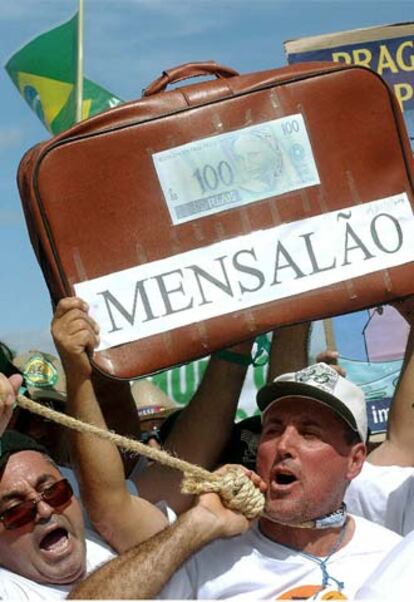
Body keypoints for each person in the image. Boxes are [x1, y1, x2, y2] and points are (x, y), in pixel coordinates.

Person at [69, 362, 401, 600]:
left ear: (355, 460)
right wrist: (196, 525)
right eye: (272, 430)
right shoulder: (204, 559)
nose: (283, 446)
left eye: (309, 433)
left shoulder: (392, 556)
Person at [51, 296, 255, 551]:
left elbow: (185, 463)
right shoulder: (65, 491)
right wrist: (78, 376)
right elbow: (111, 511)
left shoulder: (143, 491)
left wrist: (241, 338)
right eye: (15, 509)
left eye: (159, 428)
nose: (42, 507)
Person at [0, 373, 116, 599]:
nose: (44, 511)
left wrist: (77, 365)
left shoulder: (112, 534)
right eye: (17, 511)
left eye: (54, 492)